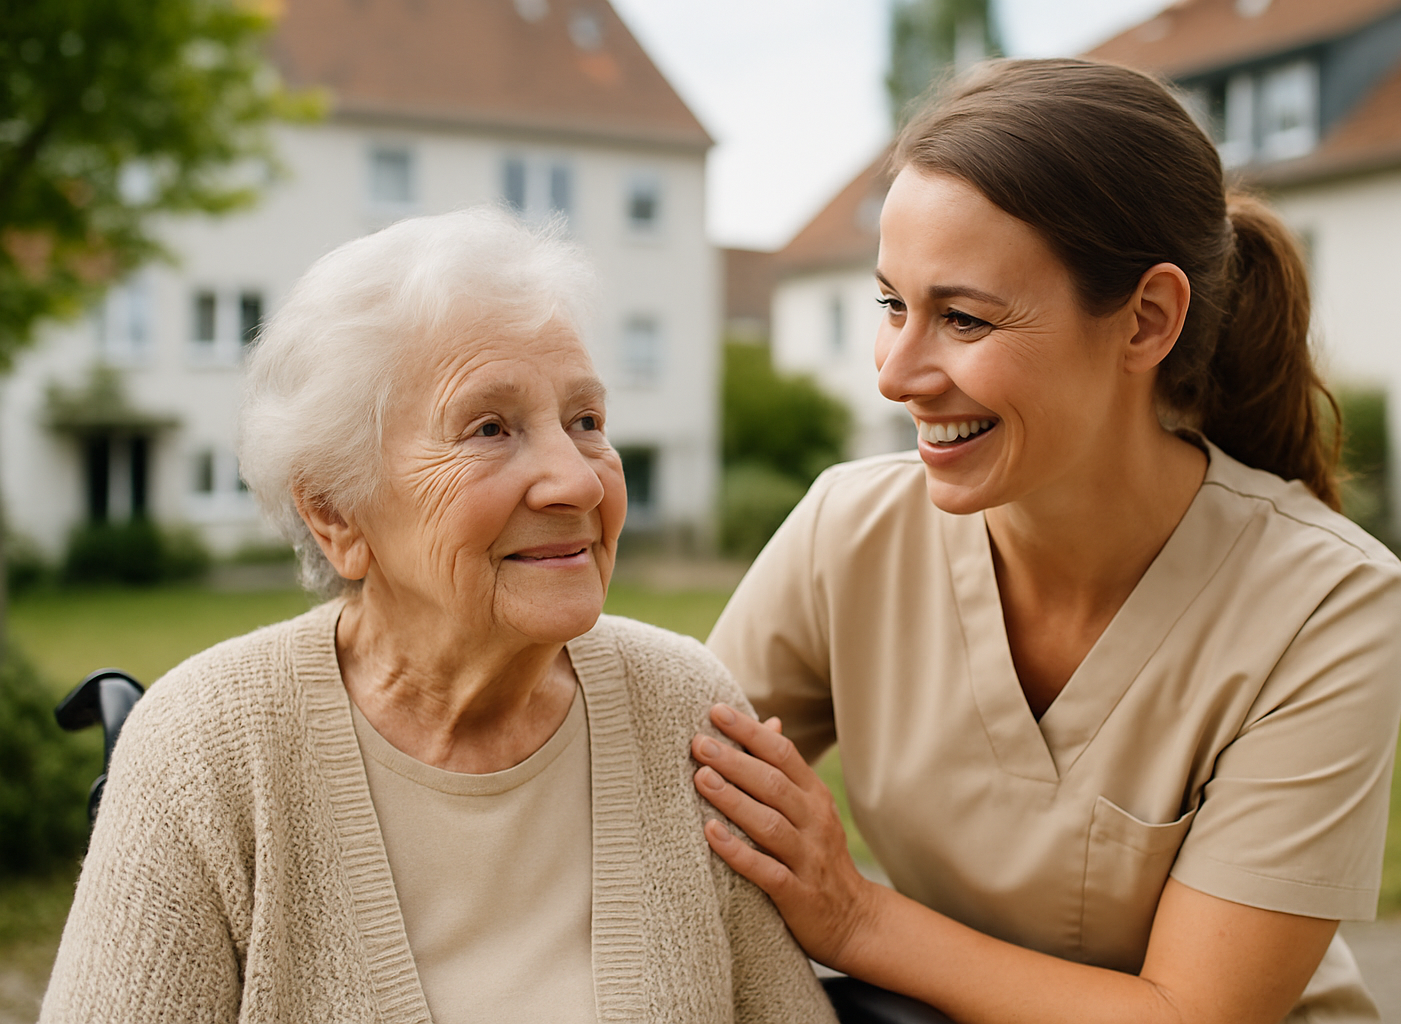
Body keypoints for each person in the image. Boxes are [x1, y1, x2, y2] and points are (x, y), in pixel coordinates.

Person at [693, 59, 1401, 1024]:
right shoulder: (848, 529)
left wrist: (856, 918)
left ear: (1146, 320)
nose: (896, 373)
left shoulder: (1327, 601)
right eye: (891, 306)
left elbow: (1191, 1015)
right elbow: (657, 779)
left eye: (963, 317)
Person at [41, 208, 837, 1024]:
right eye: (489, 429)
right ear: (337, 516)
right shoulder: (204, 749)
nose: (577, 481)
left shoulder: (684, 709)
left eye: (586, 422)